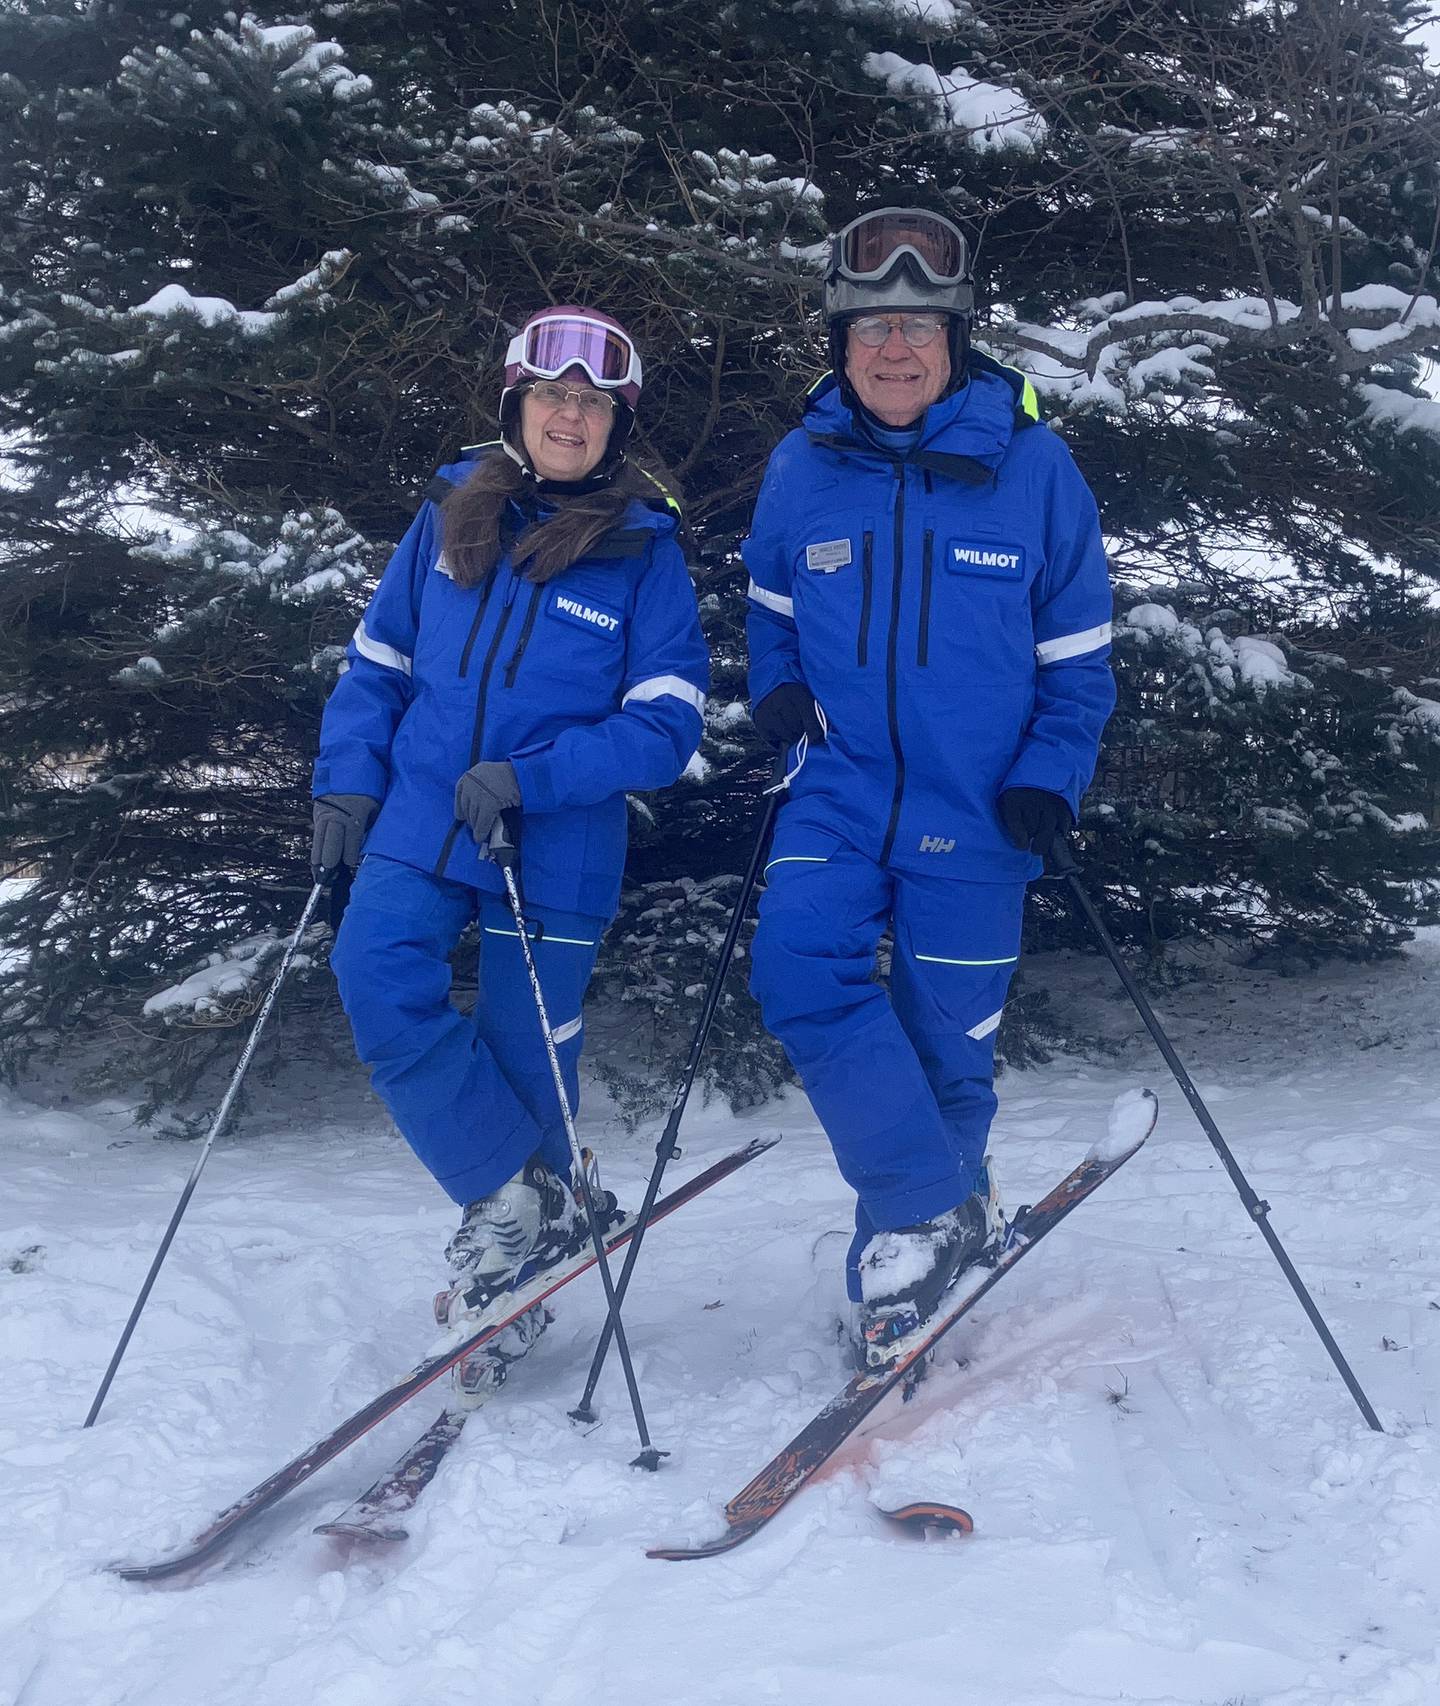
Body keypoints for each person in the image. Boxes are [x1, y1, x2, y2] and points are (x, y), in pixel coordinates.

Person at [310, 306, 708, 1402]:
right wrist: (346, 774)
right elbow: (378, 662)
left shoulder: (642, 551)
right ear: (516, 407)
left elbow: (668, 723)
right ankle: (515, 1198)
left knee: (528, 1051)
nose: (569, 415)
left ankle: (513, 1254)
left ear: (614, 423)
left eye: (590, 401)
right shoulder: (449, 510)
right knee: (375, 974)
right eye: (550, 396)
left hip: (556, 835)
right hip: (423, 813)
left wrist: (539, 775)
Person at [743, 207, 1115, 1367]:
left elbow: (1079, 657)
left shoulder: (1035, 467)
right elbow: (771, 612)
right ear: (839, 343)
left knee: (948, 1040)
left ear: (955, 337)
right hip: (839, 790)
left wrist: (1051, 776)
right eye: (869, 330)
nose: (893, 350)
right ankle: (930, 1205)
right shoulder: (802, 467)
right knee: (798, 969)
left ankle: (908, 1239)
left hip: (981, 804)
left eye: (916, 327)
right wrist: (776, 693)